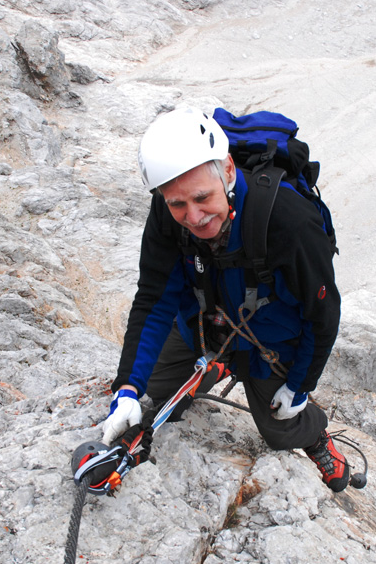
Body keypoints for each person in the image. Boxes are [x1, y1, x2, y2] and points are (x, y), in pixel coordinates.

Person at [101, 106, 350, 492]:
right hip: (202, 328)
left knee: (280, 431)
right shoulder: (167, 212)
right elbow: (153, 298)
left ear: (229, 171)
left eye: (202, 197)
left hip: (268, 342)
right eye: (178, 203)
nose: (194, 216)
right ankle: (215, 368)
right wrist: (127, 388)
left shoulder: (289, 220)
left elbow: (323, 313)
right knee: (154, 394)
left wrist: (300, 386)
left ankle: (316, 435)